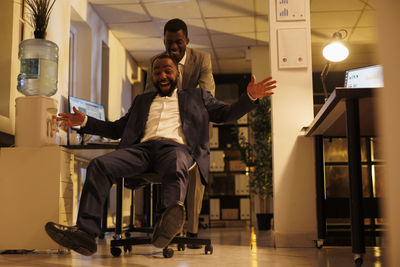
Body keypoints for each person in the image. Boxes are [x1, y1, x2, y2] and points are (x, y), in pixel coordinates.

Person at [45, 54, 276, 256]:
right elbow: (117, 129)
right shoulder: (142, 101)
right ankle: (86, 233)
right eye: (157, 72)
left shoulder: (197, 96)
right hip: (141, 151)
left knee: (176, 163)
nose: (162, 75)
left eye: (168, 71)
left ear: (177, 74)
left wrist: (250, 98)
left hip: (176, 149)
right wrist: (85, 122)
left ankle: (167, 222)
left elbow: (225, 114)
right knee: (98, 165)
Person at [145, 18, 215, 246]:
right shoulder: (156, 61)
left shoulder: (202, 59)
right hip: (167, 129)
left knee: (194, 176)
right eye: (168, 43)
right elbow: (149, 96)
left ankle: (191, 231)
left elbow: (206, 95)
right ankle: (165, 227)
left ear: (187, 40)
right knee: (167, 169)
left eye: (178, 42)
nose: (173, 48)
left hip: (194, 130)